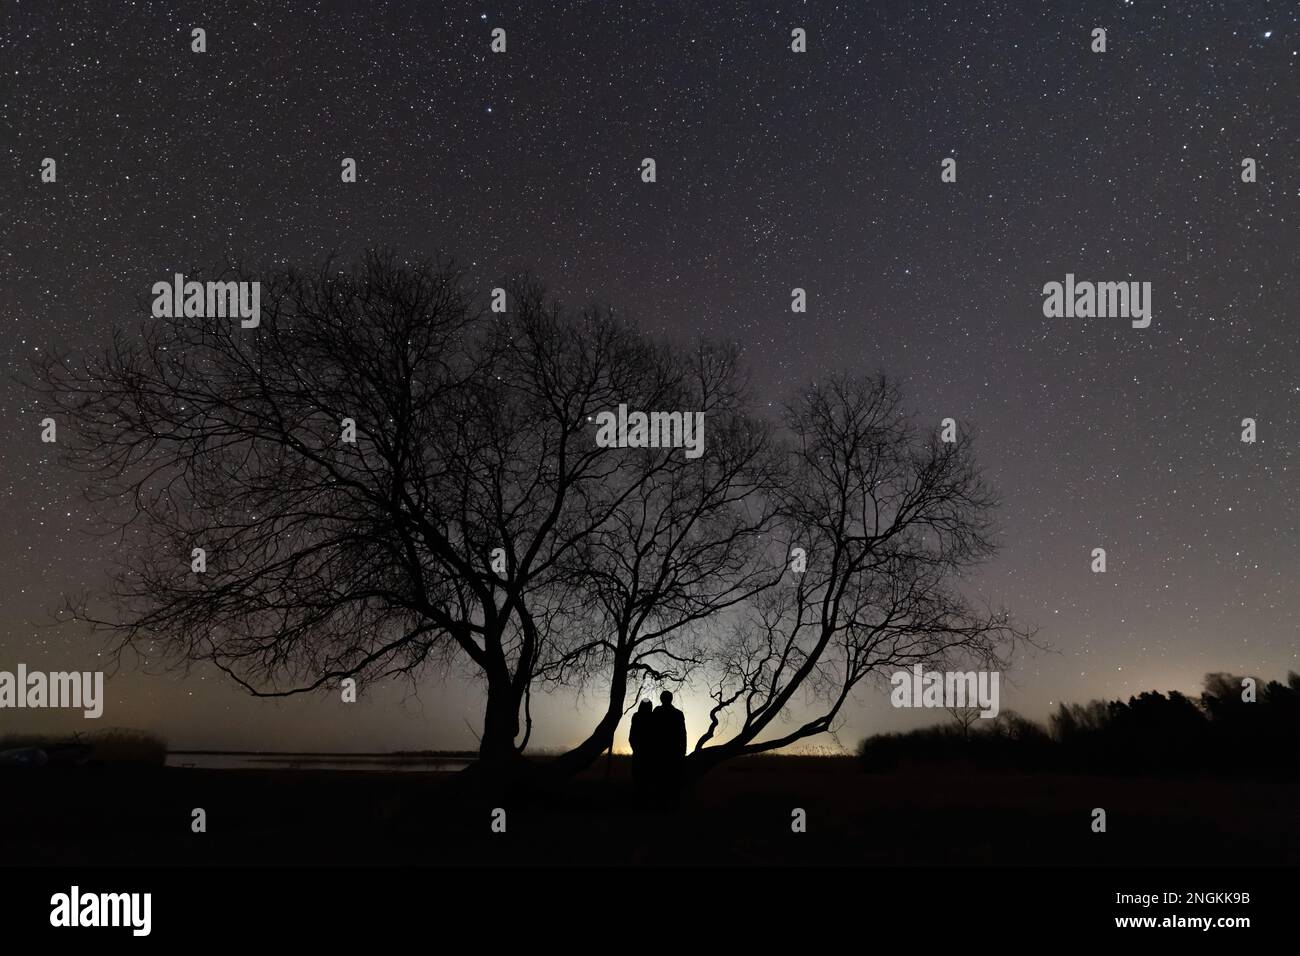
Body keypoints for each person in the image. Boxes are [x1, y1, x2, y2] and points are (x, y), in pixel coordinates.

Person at [652, 690, 687, 799]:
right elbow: (683, 734)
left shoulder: (657, 711)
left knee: (662, 780)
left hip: (661, 752)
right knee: (671, 780)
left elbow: (651, 731)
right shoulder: (678, 713)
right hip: (672, 751)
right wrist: (683, 750)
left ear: (661, 699)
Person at [628, 699, 654, 791]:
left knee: (640, 779)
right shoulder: (651, 717)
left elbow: (632, 736)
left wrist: (635, 748)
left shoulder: (637, 716)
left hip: (642, 752)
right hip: (646, 752)